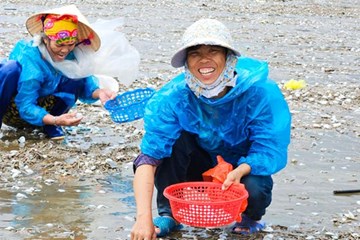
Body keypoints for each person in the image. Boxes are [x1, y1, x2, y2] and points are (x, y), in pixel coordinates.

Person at [131, 18, 291, 239]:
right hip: (198, 162)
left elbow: (269, 148)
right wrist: (143, 219)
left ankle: (250, 217)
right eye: (195, 53)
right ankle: (169, 213)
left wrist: (240, 170)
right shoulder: (172, 98)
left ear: (229, 58)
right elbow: (149, 158)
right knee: (168, 143)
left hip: (239, 168)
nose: (204, 59)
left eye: (213, 51)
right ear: (186, 62)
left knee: (255, 186)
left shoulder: (260, 93)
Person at [0, 5, 117, 140]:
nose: (65, 50)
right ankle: (52, 122)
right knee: (9, 69)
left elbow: (85, 85)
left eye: (70, 44)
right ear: (45, 39)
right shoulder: (31, 59)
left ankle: (50, 126)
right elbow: (25, 105)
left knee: (75, 74)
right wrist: (55, 119)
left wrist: (100, 92)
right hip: (16, 111)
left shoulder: (71, 56)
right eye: (59, 45)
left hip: (47, 112)